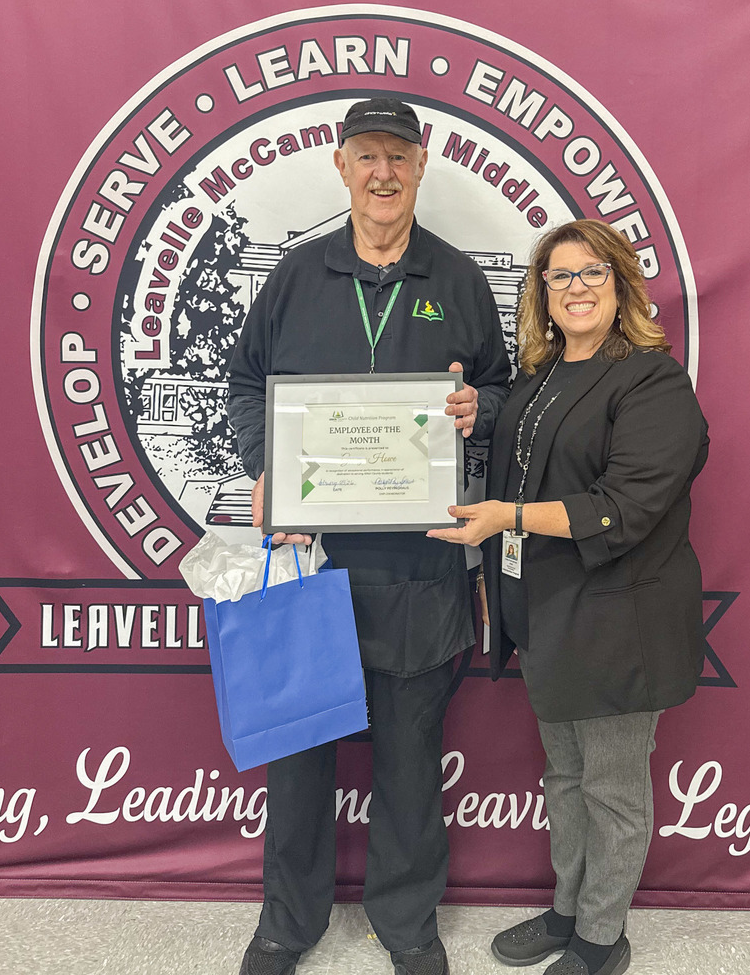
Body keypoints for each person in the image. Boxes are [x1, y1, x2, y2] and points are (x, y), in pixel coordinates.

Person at [227, 97, 511, 975]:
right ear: (340, 166)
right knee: (299, 754)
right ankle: (288, 923)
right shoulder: (296, 275)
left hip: (420, 564)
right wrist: (262, 461)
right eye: (366, 156)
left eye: (398, 156)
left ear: (421, 167)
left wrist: (478, 407)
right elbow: (244, 387)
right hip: (310, 565)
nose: (383, 172)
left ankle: (407, 923)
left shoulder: (459, 280)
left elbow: (501, 392)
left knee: (411, 761)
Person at [428, 219, 708, 975]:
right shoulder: (543, 375)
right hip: (550, 608)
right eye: (560, 277)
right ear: (542, 295)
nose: (576, 288)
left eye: (592, 274)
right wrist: (476, 413)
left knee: (612, 785)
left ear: (620, 286)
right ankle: (567, 909)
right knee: (565, 775)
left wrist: (505, 520)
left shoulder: (653, 380)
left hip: (620, 615)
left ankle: (601, 936)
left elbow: (623, 504)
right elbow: (530, 444)